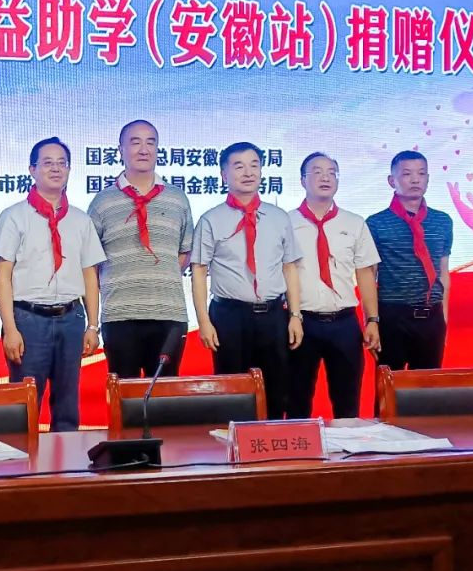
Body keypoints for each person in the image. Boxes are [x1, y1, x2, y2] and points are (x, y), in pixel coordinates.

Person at [0, 138, 105, 431]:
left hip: (71, 318)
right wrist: (10, 328)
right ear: (32, 169)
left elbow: (90, 275)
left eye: (62, 163)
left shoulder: (80, 220)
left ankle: (67, 458)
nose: (56, 169)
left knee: (67, 406)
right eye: (47, 163)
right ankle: (22, 460)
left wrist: (93, 325)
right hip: (28, 320)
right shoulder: (14, 217)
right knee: (24, 406)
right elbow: (2, 276)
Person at [191, 142, 302, 418]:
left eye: (254, 165)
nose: (248, 172)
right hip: (229, 316)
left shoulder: (279, 218)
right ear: (224, 174)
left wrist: (295, 315)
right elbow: (199, 271)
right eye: (239, 166)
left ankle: (273, 442)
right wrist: (204, 321)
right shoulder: (210, 219)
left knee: (277, 391)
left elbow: (289, 267)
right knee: (233, 393)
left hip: (273, 316)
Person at [87, 120, 194, 379]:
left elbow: (185, 251)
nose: (144, 149)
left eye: (151, 142)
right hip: (119, 315)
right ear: (121, 150)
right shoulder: (102, 202)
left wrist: (158, 275)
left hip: (169, 313)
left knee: (165, 394)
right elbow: (90, 261)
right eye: (135, 142)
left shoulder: (177, 198)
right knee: (124, 394)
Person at [286, 152, 381, 419]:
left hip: (344, 323)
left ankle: (348, 446)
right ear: (302, 180)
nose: (325, 177)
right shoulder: (286, 223)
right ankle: (300, 445)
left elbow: (365, 273)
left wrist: (372, 320)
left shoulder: (354, 223)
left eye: (331, 172)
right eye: (317, 172)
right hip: (301, 322)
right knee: (296, 400)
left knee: (348, 402)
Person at [367, 150, 453, 370]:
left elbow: (443, 273)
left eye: (421, 174)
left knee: (428, 386)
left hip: (432, 317)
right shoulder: (376, 223)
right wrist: (372, 321)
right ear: (391, 181)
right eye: (407, 174)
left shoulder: (443, 221)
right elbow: (369, 277)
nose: (415, 180)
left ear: (428, 179)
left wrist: (443, 319)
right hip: (392, 316)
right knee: (390, 384)